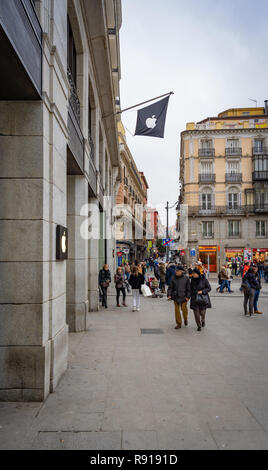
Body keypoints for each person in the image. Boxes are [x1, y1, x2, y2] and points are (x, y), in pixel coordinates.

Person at [167, 265, 191, 330]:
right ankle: (178, 323)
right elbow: (170, 287)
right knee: (176, 310)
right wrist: (169, 294)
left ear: (181, 271)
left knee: (184, 309)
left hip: (184, 296)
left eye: (177, 271)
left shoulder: (186, 278)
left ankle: (185, 319)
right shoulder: (173, 277)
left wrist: (188, 297)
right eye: (176, 271)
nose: (176, 272)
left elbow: (189, 288)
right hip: (176, 296)